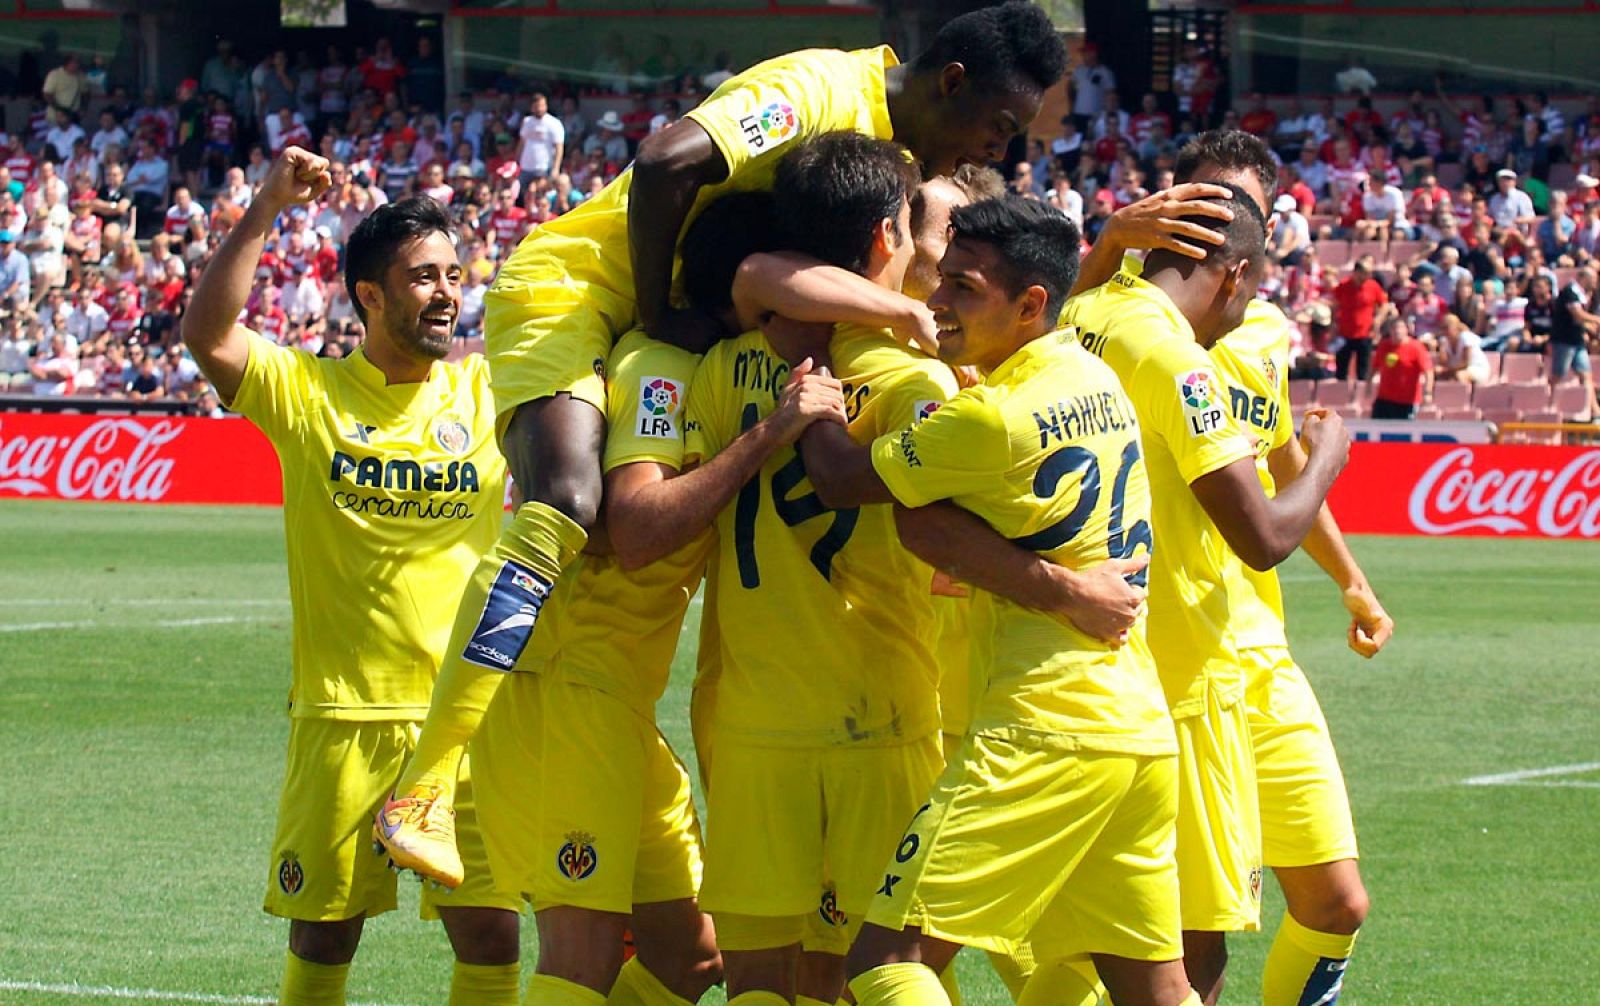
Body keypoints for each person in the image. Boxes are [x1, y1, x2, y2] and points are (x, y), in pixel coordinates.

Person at [375, 1, 1070, 886]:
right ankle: (426, 783)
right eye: (999, 126)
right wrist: (661, 310)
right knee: (569, 500)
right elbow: (667, 160)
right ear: (953, 82)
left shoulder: (889, 154)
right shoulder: (821, 86)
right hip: (576, 292)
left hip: (680, 339)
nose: (996, 152)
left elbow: (761, 271)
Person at [762, 192, 1189, 1006]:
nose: (938, 301)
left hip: (1043, 725)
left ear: (1031, 304)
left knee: (887, 958)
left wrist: (814, 391)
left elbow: (843, 479)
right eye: (944, 278)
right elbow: (932, 531)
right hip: (1137, 729)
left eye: (965, 288)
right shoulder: (1095, 376)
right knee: (1154, 990)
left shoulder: (991, 417)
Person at [469, 189, 838, 1006]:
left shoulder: (713, 365)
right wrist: (768, 435)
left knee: (690, 960)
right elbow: (633, 530)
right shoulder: (659, 366)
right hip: (566, 687)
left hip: (620, 703)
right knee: (582, 956)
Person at [181, 147, 523, 1006]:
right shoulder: (310, 393)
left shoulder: (489, 392)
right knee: (326, 932)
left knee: (490, 930)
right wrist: (265, 206)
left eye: (454, 274)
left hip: (466, 719)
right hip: (343, 715)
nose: (448, 292)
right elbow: (208, 335)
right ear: (370, 295)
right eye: (422, 278)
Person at [1062, 162, 1357, 1001]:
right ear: (1233, 272)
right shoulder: (1177, 356)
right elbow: (1261, 535)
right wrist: (1333, 456)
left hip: (1118, 657)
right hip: (1188, 675)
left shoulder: (1085, 313)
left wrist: (1352, 580)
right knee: (1187, 957)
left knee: (1099, 950)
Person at [1549, 266, 1598, 417]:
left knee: (1586, 375)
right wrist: (1597, 320)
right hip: (1565, 341)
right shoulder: (1570, 292)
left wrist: (1589, 327)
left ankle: (1594, 410)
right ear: (1584, 278)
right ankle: (1550, 403)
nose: (1595, 283)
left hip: (1577, 342)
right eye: (1593, 279)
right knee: (1558, 375)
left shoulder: (1582, 295)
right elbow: (1577, 315)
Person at [1331, 257, 1390, 382]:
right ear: (1357, 272)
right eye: (1365, 273)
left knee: (1362, 369)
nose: (1367, 276)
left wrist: (1378, 319)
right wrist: (1333, 324)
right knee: (1341, 369)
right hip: (1344, 332)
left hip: (1365, 333)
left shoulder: (1373, 286)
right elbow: (1335, 305)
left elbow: (1384, 305)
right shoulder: (1343, 286)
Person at [1369, 317, 1433, 419]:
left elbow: (1428, 371)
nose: (1397, 331)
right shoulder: (1384, 346)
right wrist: (1368, 385)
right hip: (1384, 400)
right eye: (1394, 328)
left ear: (1406, 330)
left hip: (1407, 402)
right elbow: (1374, 367)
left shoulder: (1416, 347)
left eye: (1400, 328)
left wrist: (1428, 392)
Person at [515, 92, 565, 191]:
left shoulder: (554, 123)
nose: (540, 108)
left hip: (543, 166)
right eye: (537, 106)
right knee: (522, 194)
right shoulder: (527, 121)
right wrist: (517, 160)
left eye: (542, 105)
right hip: (526, 166)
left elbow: (559, 148)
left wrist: (555, 168)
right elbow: (522, 142)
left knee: (538, 193)